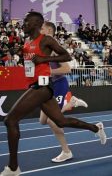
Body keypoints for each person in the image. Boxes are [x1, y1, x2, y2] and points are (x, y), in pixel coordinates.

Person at [0, 12, 106, 176]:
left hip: (42, 87)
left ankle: (13, 168)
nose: (23, 24)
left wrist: (44, 60)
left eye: (27, 22)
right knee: (60, 121)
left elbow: (67, 56)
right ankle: (95, 128)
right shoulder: (28, 42)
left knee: (10, 120)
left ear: (36, 23)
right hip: (36, 85)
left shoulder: (46, 40)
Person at [39, 21, 89, 163]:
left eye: (41, 28)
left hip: (59, 85)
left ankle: (66, 152)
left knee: (52, 120)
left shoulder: (55, 48)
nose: (38, 30)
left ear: (49, 31)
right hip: (48, 86)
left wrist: (49, 71)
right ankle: (71, 102)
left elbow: (67, 69)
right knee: (42, 120)